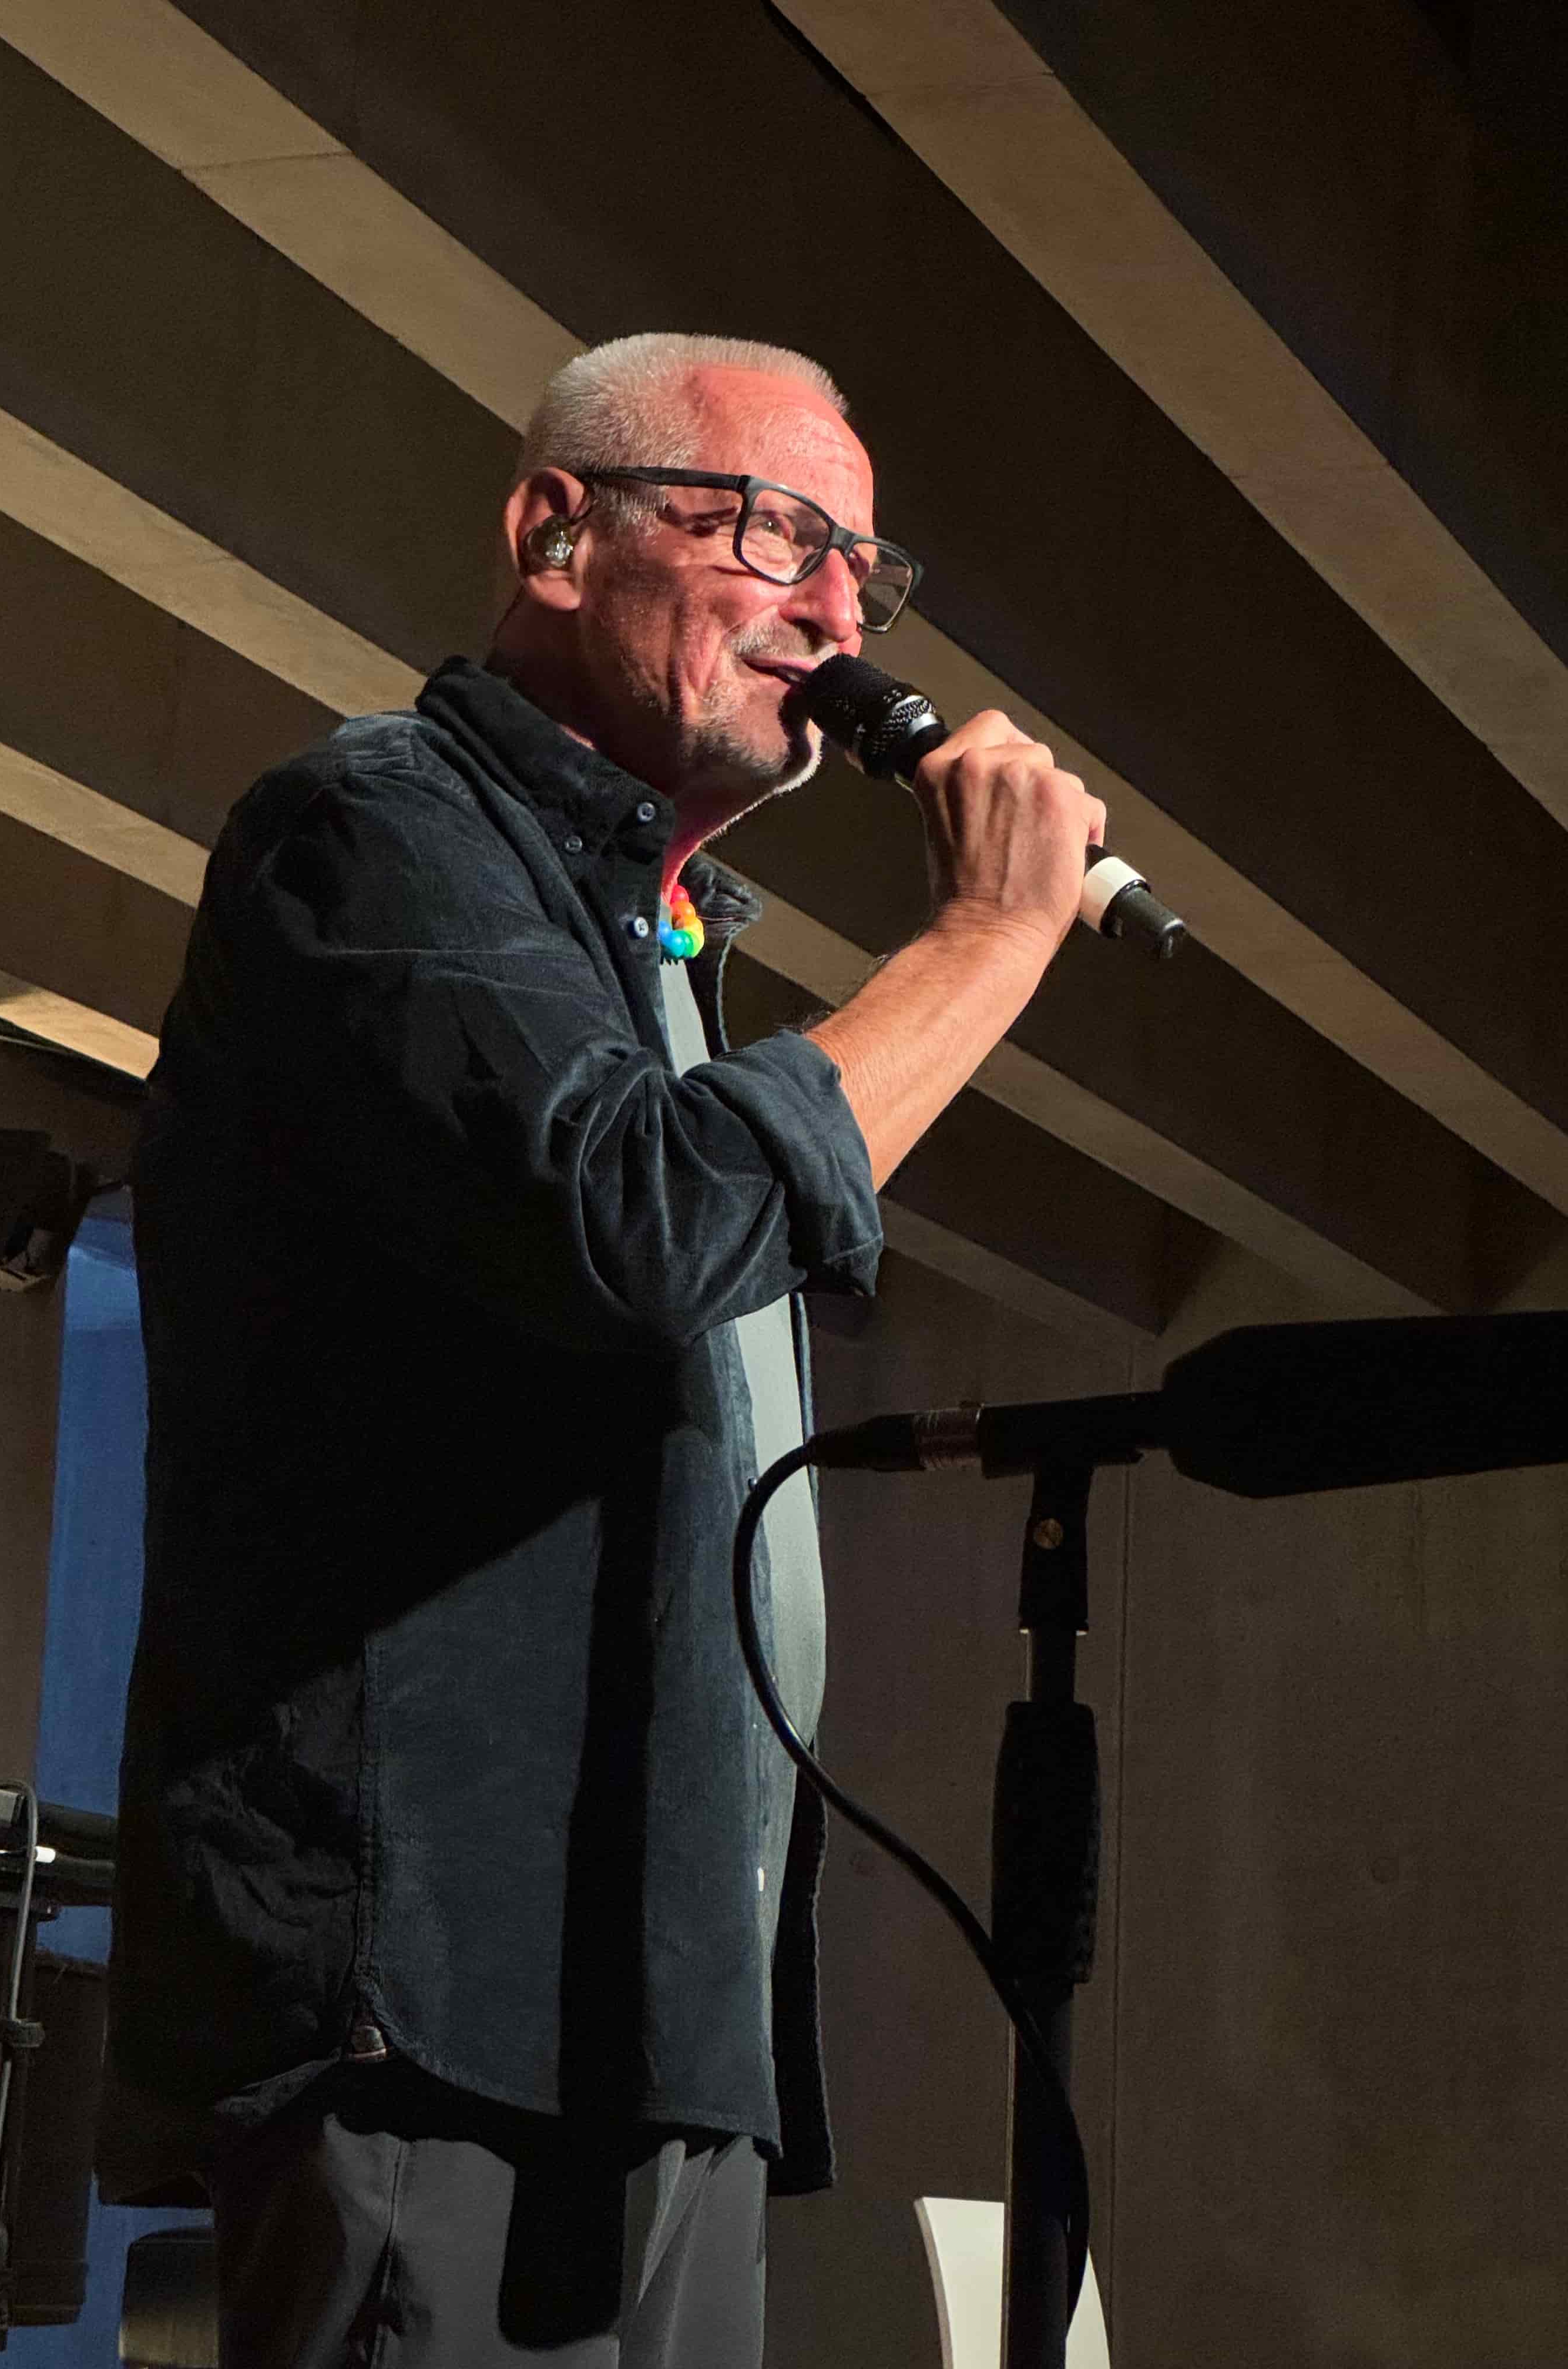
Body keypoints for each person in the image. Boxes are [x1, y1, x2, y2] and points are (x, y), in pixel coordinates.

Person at [104, 331, 1103, 2367]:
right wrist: (984, 939)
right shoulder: (371, 830)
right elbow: (637, 1227)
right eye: (779, 533)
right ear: (559, 535)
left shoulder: (656, 937)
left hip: (652, 2008)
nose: (837, 613)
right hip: (437, 2005)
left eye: (865, 569)